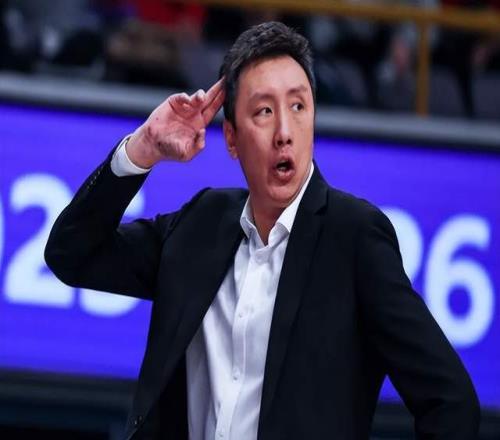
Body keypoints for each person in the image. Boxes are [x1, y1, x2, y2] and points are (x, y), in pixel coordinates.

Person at [45, 21, 479, 440]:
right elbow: (72, 253)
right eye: (264, 111)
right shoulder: (201, 223)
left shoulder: (354, 237)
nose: (285, 132)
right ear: (232, 139)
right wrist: (141, 149)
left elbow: (450, 402)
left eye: (298, 106)